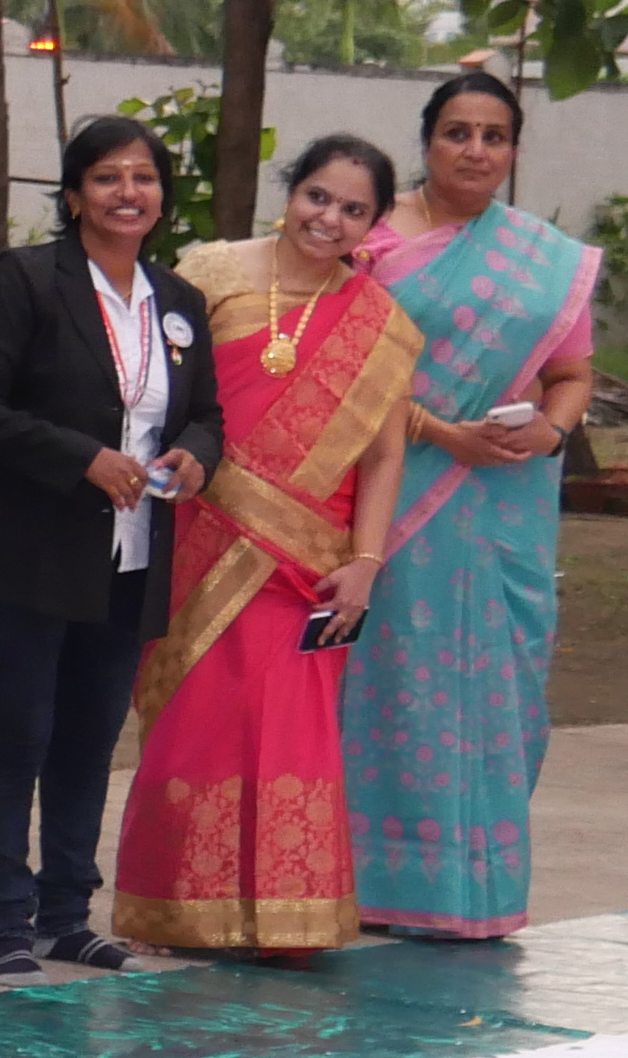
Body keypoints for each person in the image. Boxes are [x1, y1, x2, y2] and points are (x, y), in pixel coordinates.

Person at [110, 133, 421, 957]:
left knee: (289, 727)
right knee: (197, 720)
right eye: (319, 196)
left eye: (353, 210)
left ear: (374, 226)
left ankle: (288, 918)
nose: (330, 219)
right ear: (293, 191)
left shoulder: (383, 327)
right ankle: (179, 910)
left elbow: (385, 452)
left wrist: (364, 561)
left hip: (309, 560)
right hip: (199, 534)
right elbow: (161, 389)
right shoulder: (211, 273)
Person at [0, 115, 225, 986]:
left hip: (131, 555)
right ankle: (6, 924)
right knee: (18, 736)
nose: (127, 193)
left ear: (162, 197)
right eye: (106, 178)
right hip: (23, 554)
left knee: (89, 740)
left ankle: (68, 915)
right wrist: (83, 459)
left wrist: (196, 456)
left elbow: (206, 411)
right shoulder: (28, 280)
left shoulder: (176, 301)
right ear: (73, 196)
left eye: (143, 178)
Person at [346, 72, 598, 940]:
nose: (476, 150)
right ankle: (371, 880)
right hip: (397, 488)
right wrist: (441, 433)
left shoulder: (543, 256)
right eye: (458, 132)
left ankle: (473, 891)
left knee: (504, 688)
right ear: (427, 141)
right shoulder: (369, 241)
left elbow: (571, 374)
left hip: (508, 502)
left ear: (515, 149)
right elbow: (346, 372)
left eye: (494, 135)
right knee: (388, 675)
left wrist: (552, 434)